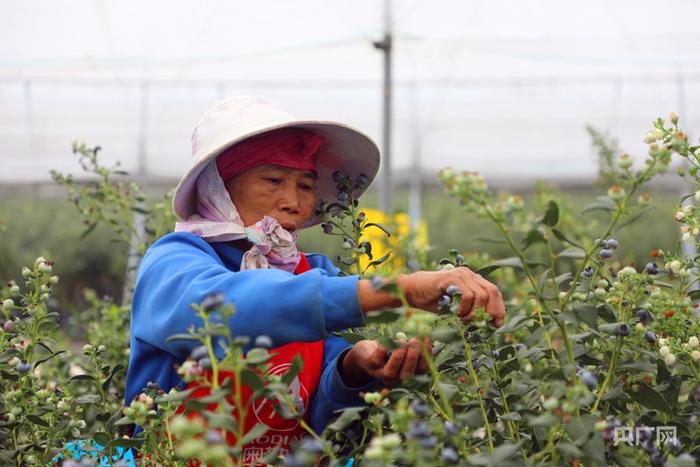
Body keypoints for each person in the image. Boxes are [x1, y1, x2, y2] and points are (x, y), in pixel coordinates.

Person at [124, 96, 505, 462]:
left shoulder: (315, 274)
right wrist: (401, 289)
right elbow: (236, 307)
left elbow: (321, 420)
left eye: (305, 186)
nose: (294, 201)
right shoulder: (174, 262)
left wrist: (354, 367)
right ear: (218, 188)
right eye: (273, 180)